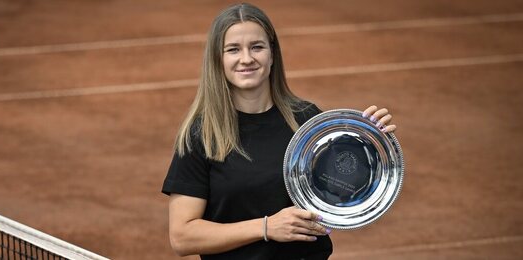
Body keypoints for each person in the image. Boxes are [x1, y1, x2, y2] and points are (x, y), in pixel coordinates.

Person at [161, 3, 396, 259]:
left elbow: (341, 189)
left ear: (272, 54)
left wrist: (370, 140)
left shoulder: (307, 122)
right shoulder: (202, 134)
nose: (247, 58)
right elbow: (182, 237)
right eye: (233, 49)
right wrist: (266, 227)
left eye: (257, 47)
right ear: (219, 59)